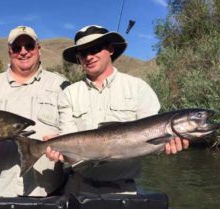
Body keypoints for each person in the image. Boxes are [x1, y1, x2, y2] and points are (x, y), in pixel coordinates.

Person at [45, 25, 189, 194]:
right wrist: (60, 151)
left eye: (95, 49)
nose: (89, 57)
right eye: (83, 53)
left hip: (123, 189)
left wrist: (166, 145)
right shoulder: (69, 93)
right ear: (79, 58)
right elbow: (68, 135)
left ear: (111, 49)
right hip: (77, 188)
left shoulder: (138, 88)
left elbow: (153, 135)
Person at [0, 25, 71, 198]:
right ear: (10, 52)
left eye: (29, 46)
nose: (23, 52)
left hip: (48, 191)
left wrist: (64, 145)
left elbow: (77, 132)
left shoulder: (62, 86)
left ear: (39, 49)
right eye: (17, 48)